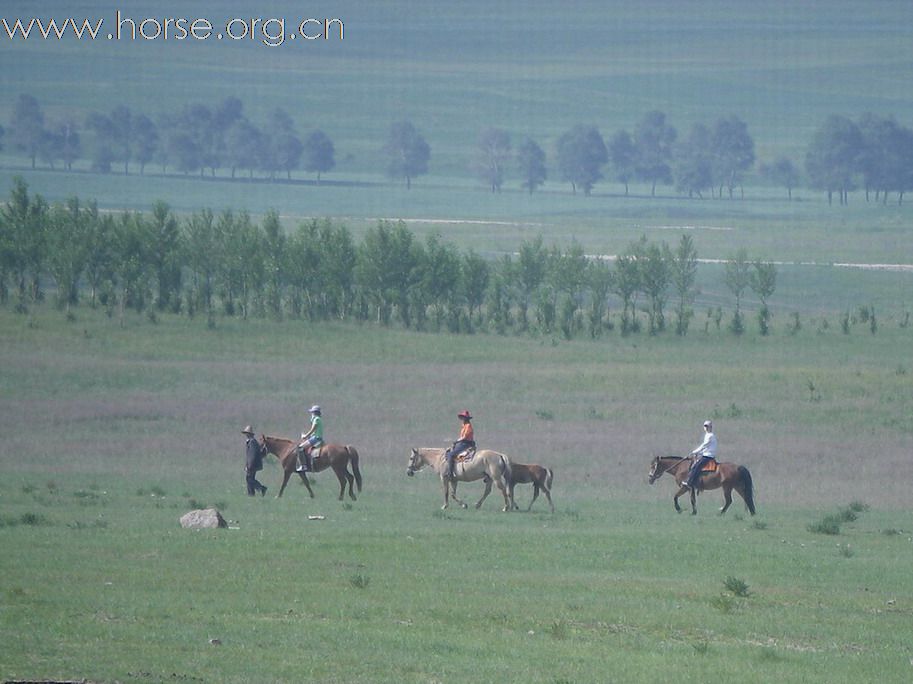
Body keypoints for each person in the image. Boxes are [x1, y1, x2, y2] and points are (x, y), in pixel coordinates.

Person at [683, 420, 718, 489]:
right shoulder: (707, 435)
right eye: (705, 426)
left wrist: (694, 452)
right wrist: (699, 453)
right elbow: (706, 447)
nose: (706, 428)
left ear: (711, 427)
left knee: (696, 467)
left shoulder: (710, 436)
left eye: (708, 426)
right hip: (706, 454)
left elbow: (704, 445)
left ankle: (690, 483)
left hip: (708, 456)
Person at [444, 409, 476, 479]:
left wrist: (456, 441)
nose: (462, 419)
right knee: (449, 452)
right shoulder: (464, 426)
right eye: (462, 417)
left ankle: (450, 474)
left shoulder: (468, 426)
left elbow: (464, 437)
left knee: (451, 454)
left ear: (466, 418)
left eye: (463, 417)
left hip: (466, 443)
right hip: (463, 442)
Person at [296, 405, 325, 472]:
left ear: (314, 413)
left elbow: (313, 429)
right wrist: (309, 436)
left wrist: (306, 436)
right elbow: (315, 431)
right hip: (316, 437)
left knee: (300, 448)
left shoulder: (316, 419)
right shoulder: (319, 419)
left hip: (316, 438)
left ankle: (303, 466)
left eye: (312, 412)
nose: (311, 414)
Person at [242, 425, 267, 496]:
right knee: (249, 479)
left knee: (249, 479)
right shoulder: (251, 441)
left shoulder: (252, 442)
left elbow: (252, 455)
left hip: (252, 465)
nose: (246, 435)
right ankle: (251, 494)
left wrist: (249, 466)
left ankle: (261, 488)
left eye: (246, 433)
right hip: (252, 465)